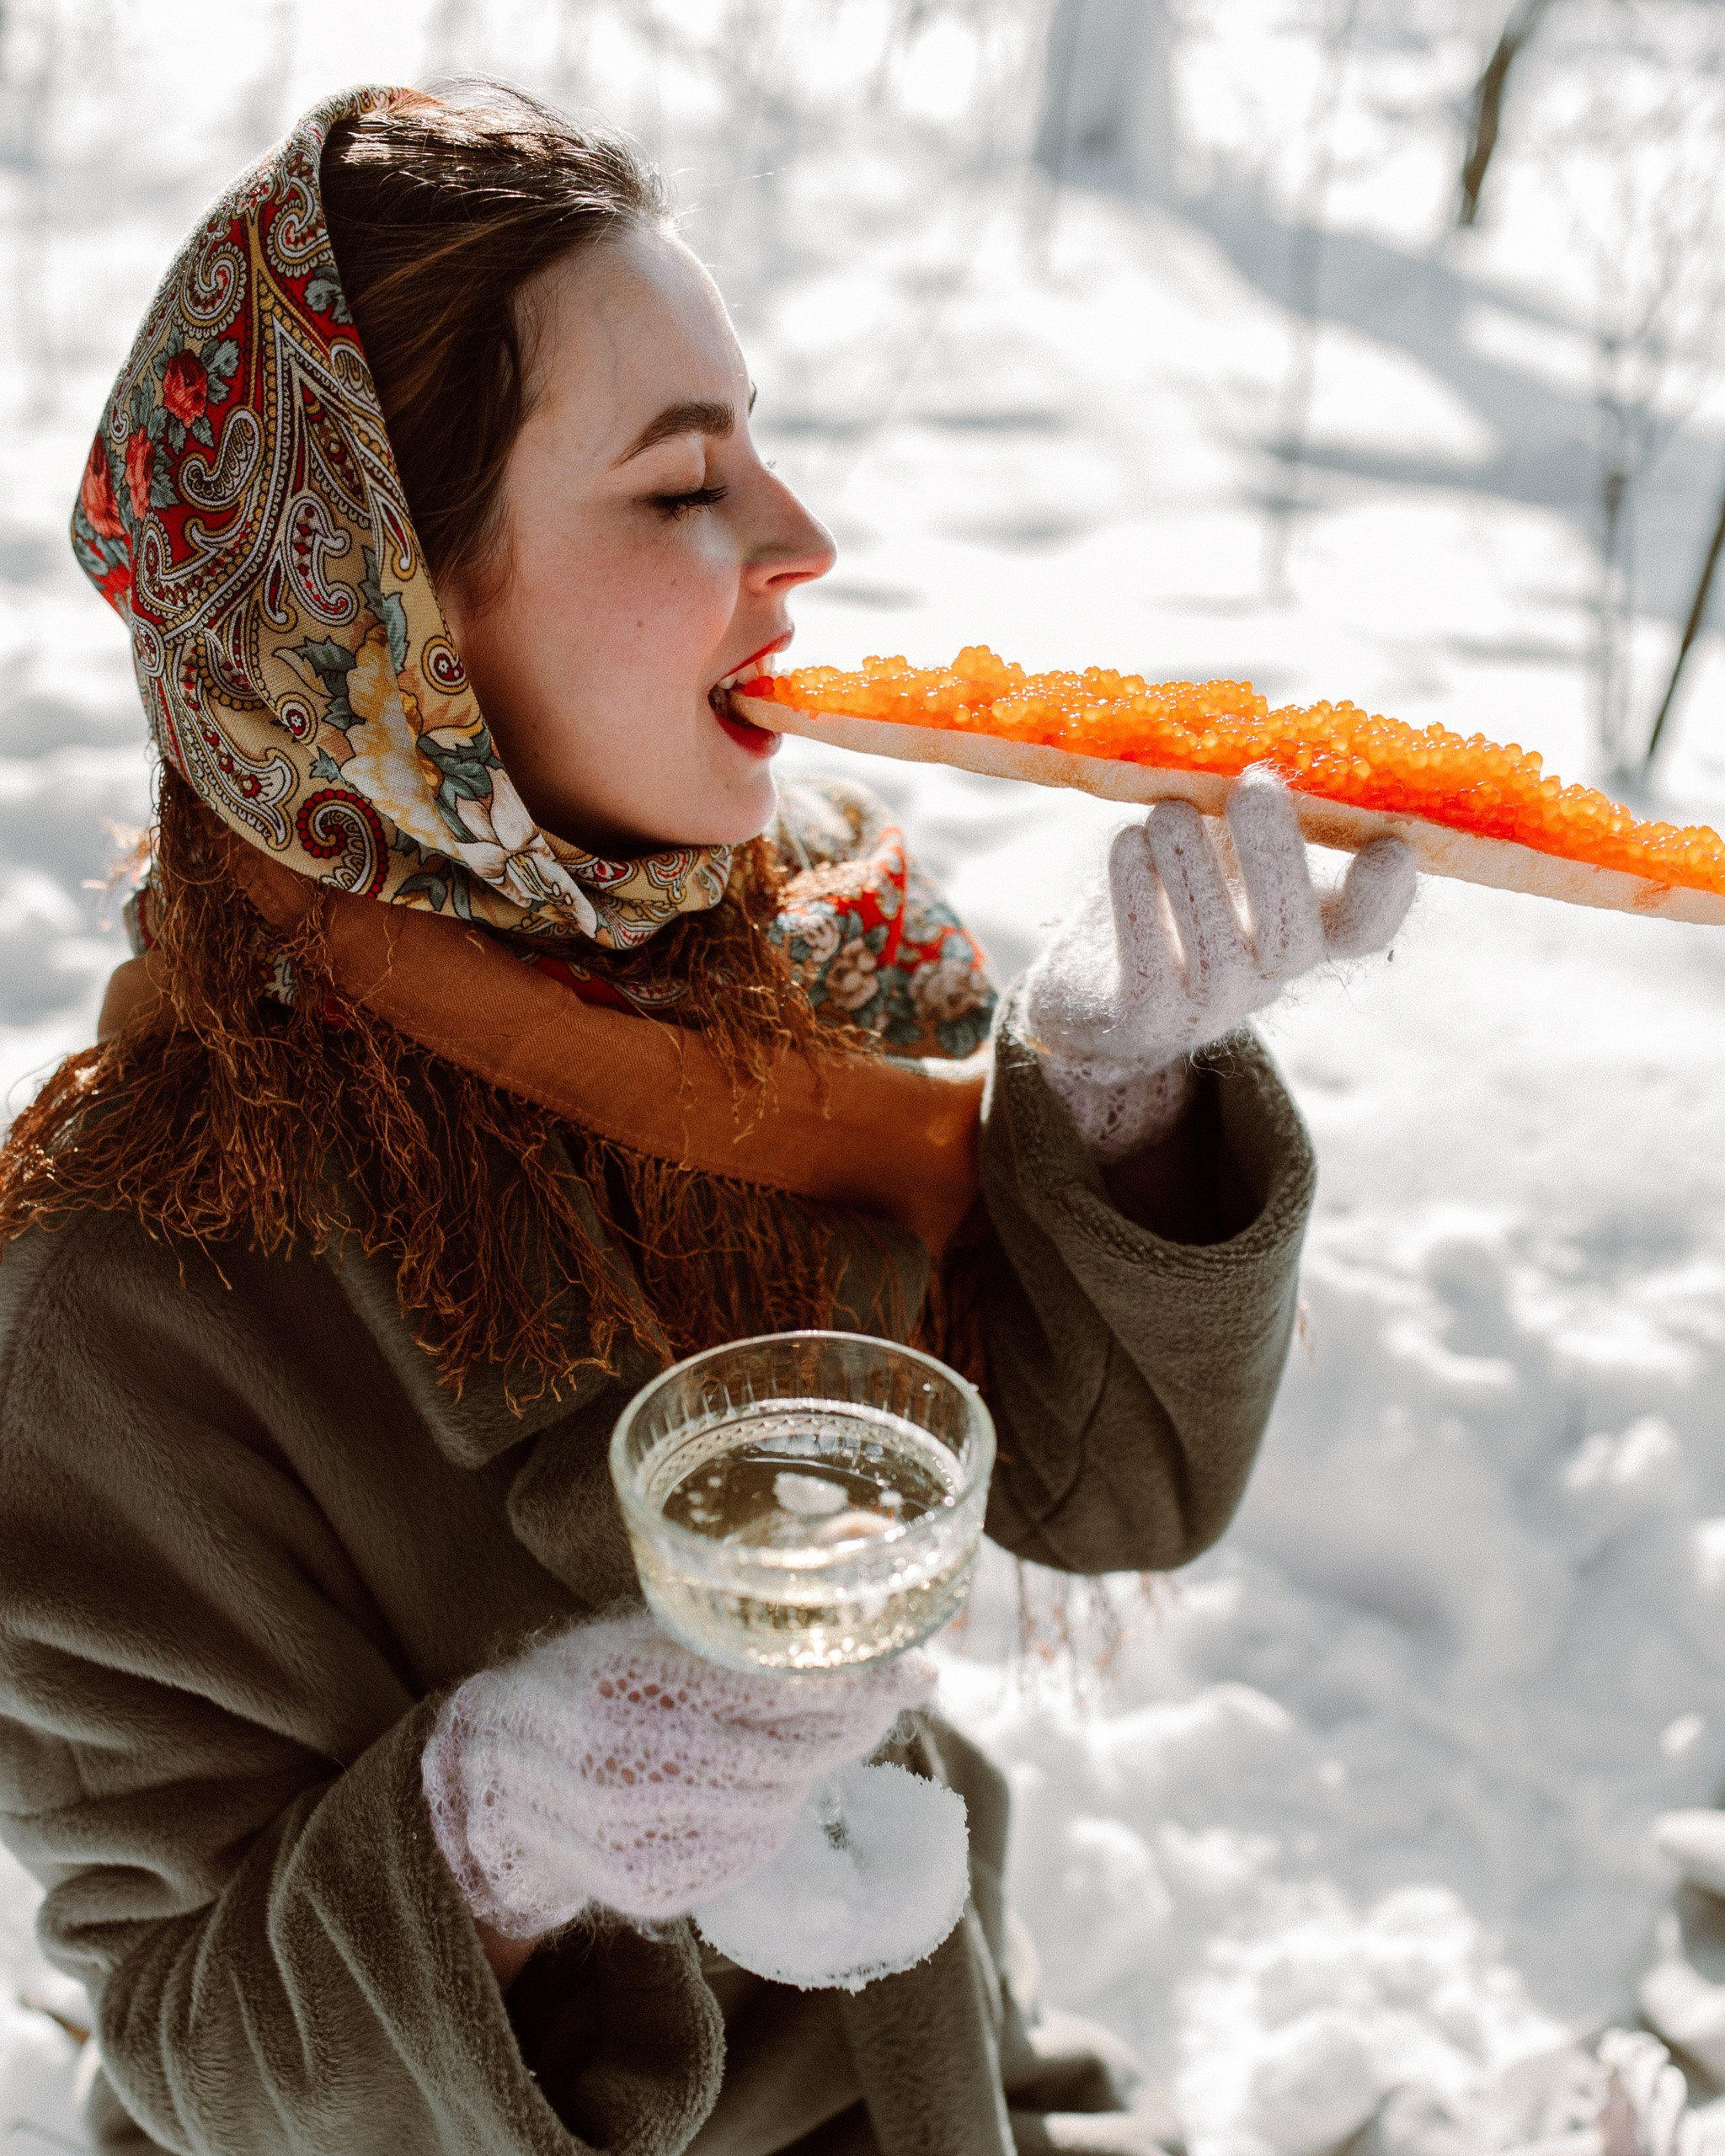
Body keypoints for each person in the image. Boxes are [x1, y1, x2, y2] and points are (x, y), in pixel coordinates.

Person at [0, 80, 1414, 2156]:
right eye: (681, 483)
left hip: (931, 2060)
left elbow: (1105, 1498)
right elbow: (192, 2053)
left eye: (753, 438)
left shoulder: (811, 944)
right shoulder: (122, 1297)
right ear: (397, 624)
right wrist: (485, 1836)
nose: (799, 537)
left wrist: (1115, 1113)